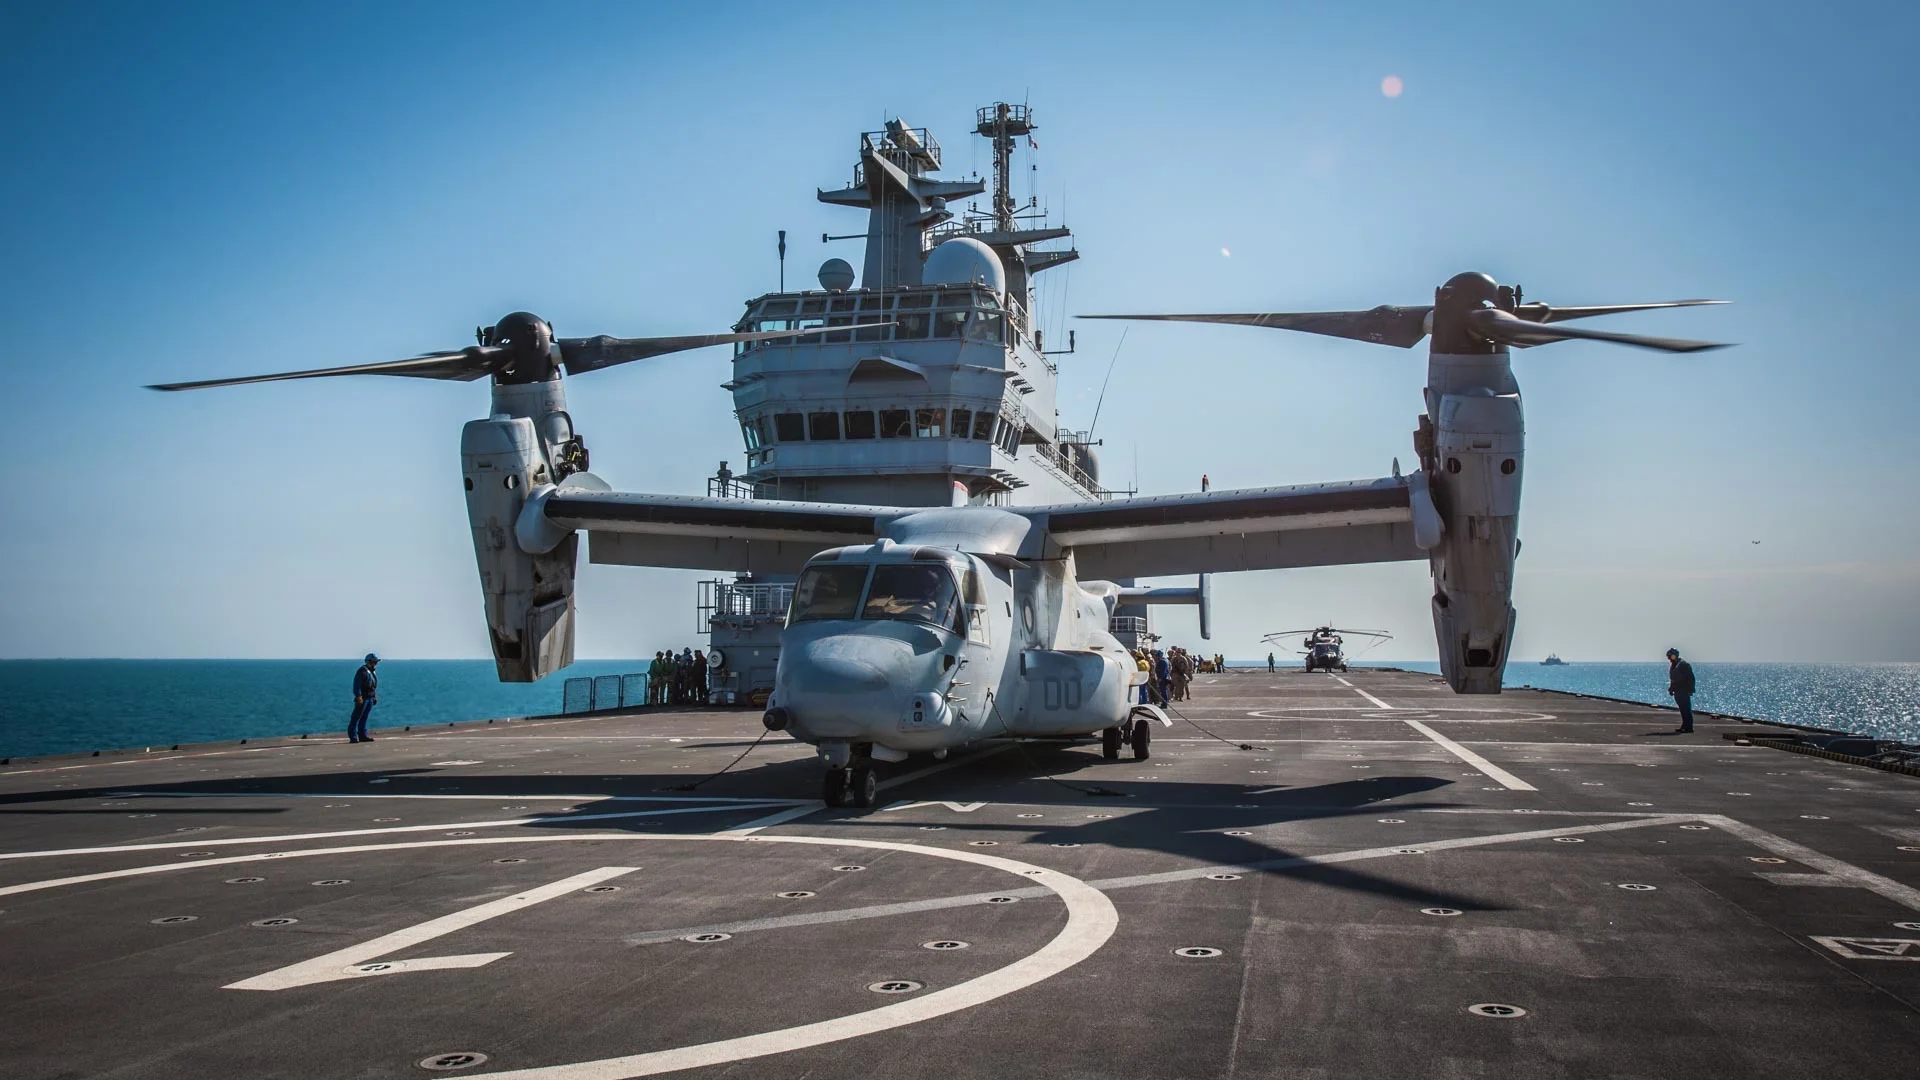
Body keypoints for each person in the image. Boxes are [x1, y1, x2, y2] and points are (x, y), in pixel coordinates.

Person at [348, 653, 379, 743]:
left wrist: (374, 696)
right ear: (369, 662)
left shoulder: (372, 672)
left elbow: (372, 685)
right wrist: (358, 696)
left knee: (364, 717)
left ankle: (362, 735)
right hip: (363, 698)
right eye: (374, 662)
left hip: (369, 697)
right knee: (356, 718)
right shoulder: (362, 671)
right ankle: (353, 737)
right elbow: (357, 685)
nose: (375, 664)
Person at [1667, 648, 1696, 733]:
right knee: (1682, 709)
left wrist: (1690, 689)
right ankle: (1684, 726)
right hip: (1677, 690)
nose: (1670, 658)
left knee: (1686, 709)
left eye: (1671, 656)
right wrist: (1671, 688)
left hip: (1684, 689)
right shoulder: (1674, 665)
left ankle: (1689, 727)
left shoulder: (1683, 664)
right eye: (1669, 657)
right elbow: (1673, 679)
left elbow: (1691, 678)